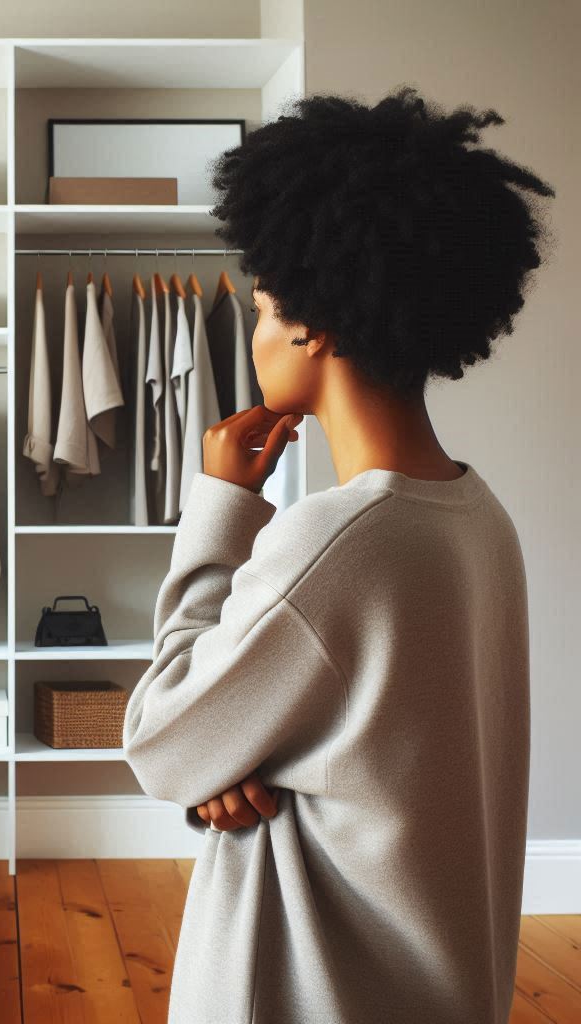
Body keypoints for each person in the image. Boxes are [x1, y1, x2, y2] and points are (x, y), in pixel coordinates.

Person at [122, 85, 555, 1024]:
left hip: (306, 989)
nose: (257, 330)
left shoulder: (330, 540)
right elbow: (370, 745)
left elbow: (159, 741)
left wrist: (221, 507)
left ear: (311, 325)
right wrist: (230, 773)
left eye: (263, 306)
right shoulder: (477, 516)